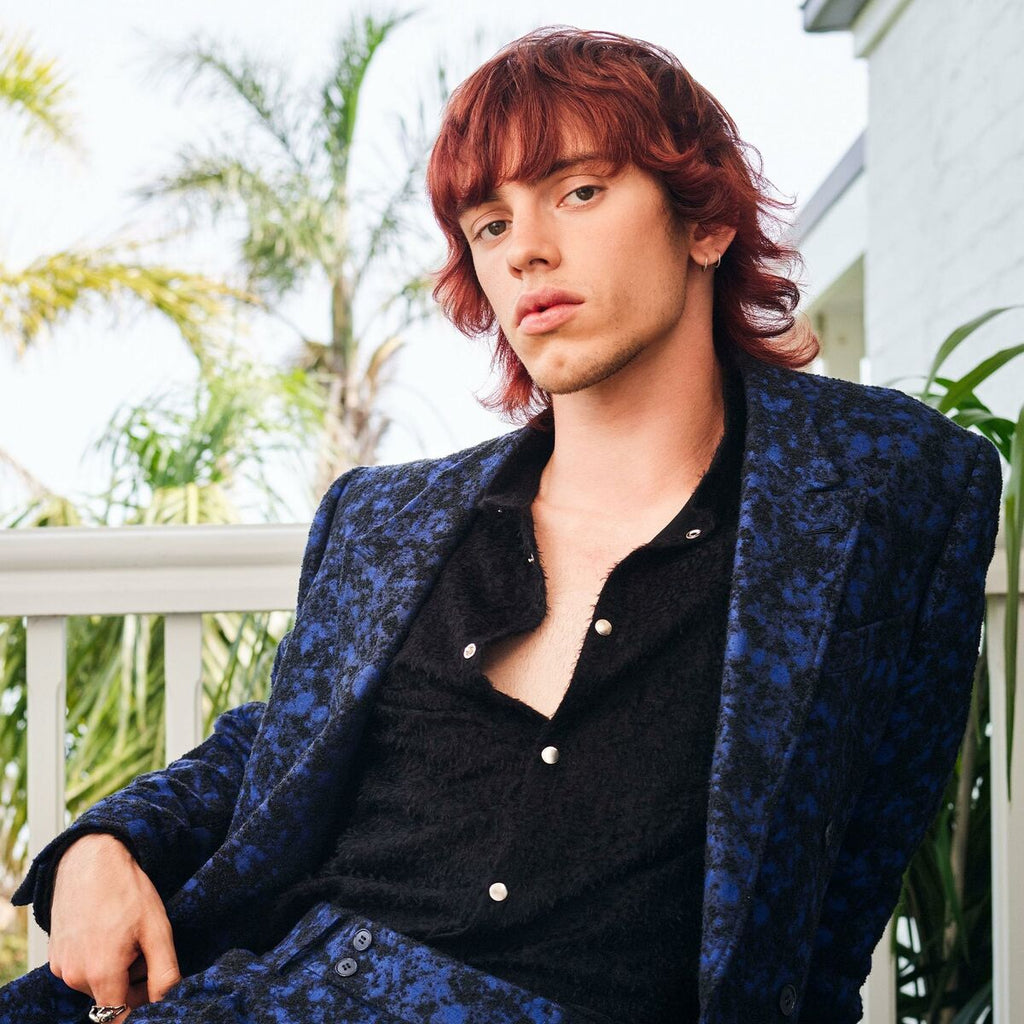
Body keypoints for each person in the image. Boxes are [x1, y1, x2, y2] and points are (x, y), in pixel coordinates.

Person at [0, 24, 1004, 1024]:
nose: (525, 249)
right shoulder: (384, 518)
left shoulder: (887, 488)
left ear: (705, 223)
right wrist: (106, 843)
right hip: (264, 992)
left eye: (580, 191)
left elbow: (857, 862)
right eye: (488, 224)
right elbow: (281, 746)